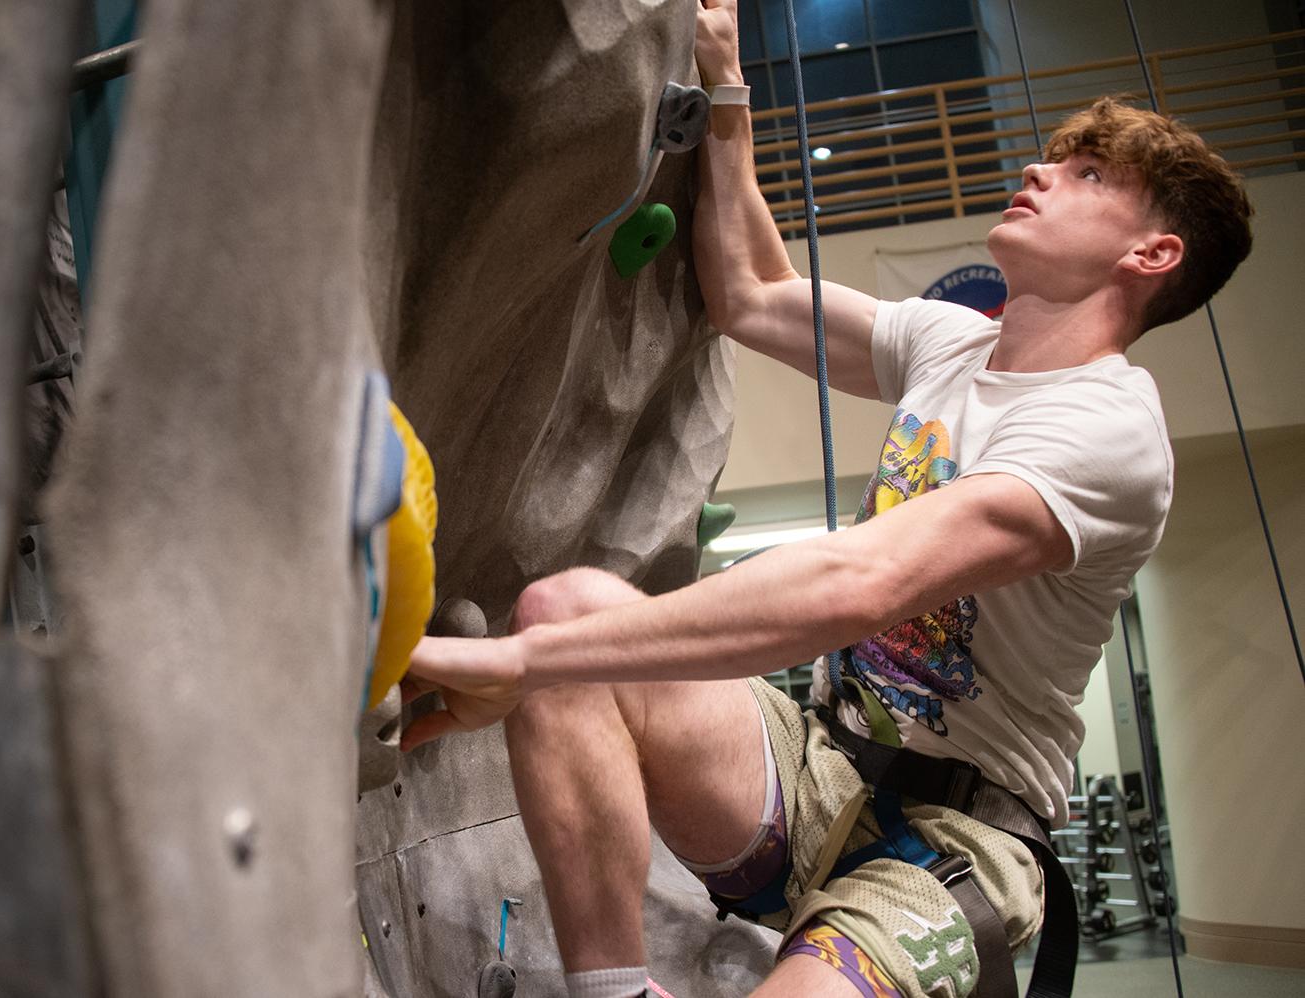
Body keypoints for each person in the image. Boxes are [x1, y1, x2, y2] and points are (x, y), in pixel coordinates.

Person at [400, 2, 1254, 996]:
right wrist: (727, 89)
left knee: (547, 645)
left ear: (1150, 255)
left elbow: (864, 579)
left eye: (1089, 175)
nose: (1039, 170)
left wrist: (514, 661)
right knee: (568, 611)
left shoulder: (1109, 429)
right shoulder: (952, 344)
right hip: (814, 766)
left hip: (955, 837)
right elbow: (754, 293)